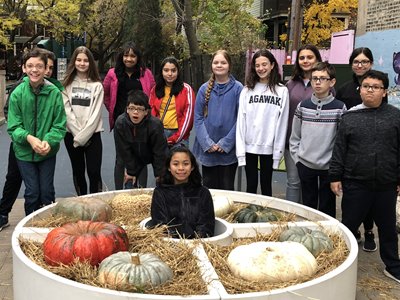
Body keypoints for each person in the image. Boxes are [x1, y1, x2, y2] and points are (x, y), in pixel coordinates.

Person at [329, 70, 400, 284]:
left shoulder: (395, 117)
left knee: (387, 228)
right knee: (348, 225)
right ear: (360, 90)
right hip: (355, 183)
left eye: (376, 87)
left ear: (384, 91)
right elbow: (339, 149)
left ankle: (393, 266)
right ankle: (340, 264)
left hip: (386, 185)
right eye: (366, 86)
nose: (370, 90)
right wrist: (335, 176)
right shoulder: (349, 117)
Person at [0, 48, 60, 230]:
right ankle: (31, 228)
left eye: (40, 66)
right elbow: (13, 126)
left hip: (47, 151)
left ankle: (49, 228)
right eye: (30, 66)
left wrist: (49, 141)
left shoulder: (54, 93)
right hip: (24, 152)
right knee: (32, 192)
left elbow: (59, 125)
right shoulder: (17, 93)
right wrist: (30, 139)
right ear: (24, 68)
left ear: (46, 69)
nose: (35, 70)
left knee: (47, 192)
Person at [290, 62, 346, 218]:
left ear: (332, 82)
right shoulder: (303, 106)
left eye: (322, 78)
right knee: (308, 205)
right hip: (305, 165)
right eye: (314, 78)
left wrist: (336, 166)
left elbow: (341, 142)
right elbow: (295, 136)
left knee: (327, 207)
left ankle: (327, 236)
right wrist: (298, 160)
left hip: (328, 167)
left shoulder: (339, 108)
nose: (318, 82)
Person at [335, 47, 377, 251]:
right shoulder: (344, 90)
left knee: (370, 194)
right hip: (351, 151)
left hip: (373, 149)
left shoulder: (377, 85)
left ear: (371, 63)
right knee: (352, 195)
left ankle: (369, 231)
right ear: (351, 64)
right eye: (356, 61)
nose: (360, 65)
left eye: (365, 61)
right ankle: (353, 230)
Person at [236, 49, 289, 196]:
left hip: (269, 146)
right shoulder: (247, 90)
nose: (261, 68)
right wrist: (240, 151)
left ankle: (265, 218)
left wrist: (277, 152)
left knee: (267, 187)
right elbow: (241, 120)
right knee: (250, 187)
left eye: (264, 64)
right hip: (249, 146)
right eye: (257, 65)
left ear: (272, 65)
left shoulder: (282, 91)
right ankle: (249, 218)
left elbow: (282, 123)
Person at [103, 41, 155, 189]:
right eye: (126, 55)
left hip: (142, 122)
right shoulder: (112, 74)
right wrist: (113, 110)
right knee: (121, 158)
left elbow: (151, 94)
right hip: (121, 122)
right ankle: (119, 192)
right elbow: (106, 95)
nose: (129, 59)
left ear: (138, 58)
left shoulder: (146, 74)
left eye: (133, 56)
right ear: (122, 56)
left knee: (141, 156)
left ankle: (142, 189)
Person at [192, 50, 243, 190]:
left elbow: (241, 119)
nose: (219, 65)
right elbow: (198, 118)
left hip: (228, 150)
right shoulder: (203, 89)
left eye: (223, 62)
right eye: (216, 62)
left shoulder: (238, 89)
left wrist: (226, 143)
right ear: (211, 66)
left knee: (227, 188)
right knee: (209, 188)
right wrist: (207, 143)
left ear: (229, 65)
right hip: (208, 150)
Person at [62, 46, 104, 196]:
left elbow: (96, 113)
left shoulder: (97, 86)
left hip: (93, 135)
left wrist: (84, 136)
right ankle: (82, 201)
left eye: (86, 60)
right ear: (73, 62)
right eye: (79, 60)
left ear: (90, 63)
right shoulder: (66, 85)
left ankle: (96, 201)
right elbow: (67, 112)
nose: (82, 63)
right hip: (71, 135)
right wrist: (78, 135)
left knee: (94, 172)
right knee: (78, 171)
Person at [148, 146, 215, 239]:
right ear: (168, 167)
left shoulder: (203, 193)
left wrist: (196, 241)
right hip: (169, 245)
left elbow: (206, 224)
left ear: (192, 167)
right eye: (176, 164)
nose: (181, 168)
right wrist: (177, 243)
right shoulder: (160, 193)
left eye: (186, 164)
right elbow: (160, 224)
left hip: (199, 246)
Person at [285, 44, 322, 203]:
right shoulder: (290, 85)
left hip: (315, 144)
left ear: (317, 59)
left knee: (311, 184)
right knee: (293, 182)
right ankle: (291, 219)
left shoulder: (324, 83)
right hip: (292, 142)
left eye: (309, 57)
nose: (305, 60)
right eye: (302, 58)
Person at [114, 90, 168, 188]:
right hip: (130, 153)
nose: (135, 112)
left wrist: (159, 174)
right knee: (129, 181)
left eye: (139, 109)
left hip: (149, 152)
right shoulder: (120, 123)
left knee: (162, 181)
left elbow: (159, 152)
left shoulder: (155, 125)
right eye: (132, 108)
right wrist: (130, 171)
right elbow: (124, 150)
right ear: (127, 109)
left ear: (146, 112)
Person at [149, 56, 195, 148]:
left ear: (178, 72)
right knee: (161, 162)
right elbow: (151, 111)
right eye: (166, 70)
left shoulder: (186, 90)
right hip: (160, 132)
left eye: (173, 71)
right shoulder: (155, 89)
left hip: (179, 134)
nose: (170, 74)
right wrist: (154, 133)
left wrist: (175, 138)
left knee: (178, 161)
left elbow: (188, 117)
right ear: (161, 72)